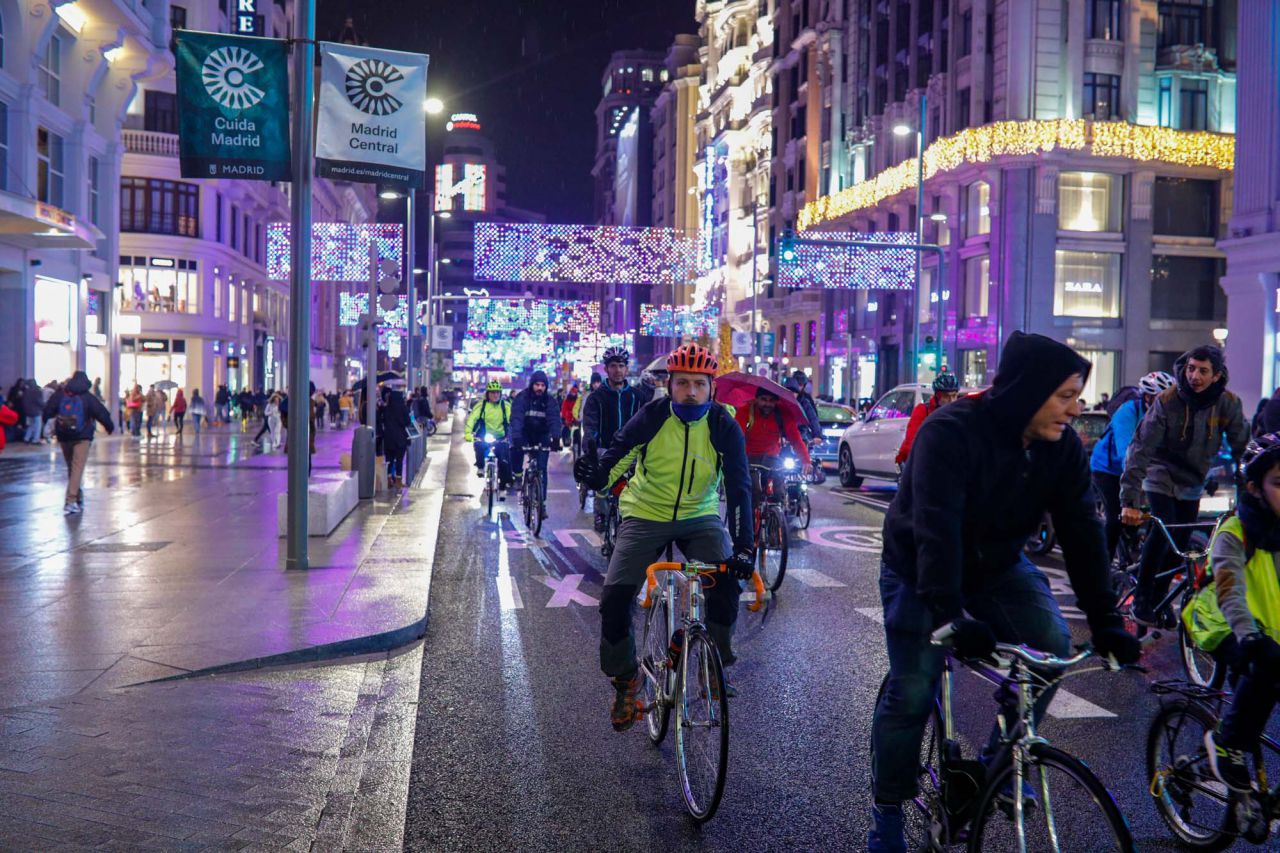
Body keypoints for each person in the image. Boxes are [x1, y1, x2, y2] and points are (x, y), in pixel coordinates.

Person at [867, 332, 1140, 852]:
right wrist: (949, 615)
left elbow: (1082, 531)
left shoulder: (1061, 451)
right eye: (1065, 396)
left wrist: (1106, 619)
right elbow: (935, 528)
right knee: (914, 687)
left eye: (1078, 395)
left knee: (1051, 649)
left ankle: (998, 766)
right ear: (1027, 392)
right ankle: (887, 808)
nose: (1075, 409)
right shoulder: (950, 431)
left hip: (999, 565)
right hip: (919, 566)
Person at [573, 343, 756, 732]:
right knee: (615, 598)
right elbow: (616, 458)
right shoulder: (652, 416)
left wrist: (744, 547)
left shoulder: (724, 425)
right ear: (669, 385)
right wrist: (594, 475)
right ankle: (626, 680)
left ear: (712, 388)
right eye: (683, 383)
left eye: (699, 384)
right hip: (646, 513)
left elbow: (740, 489)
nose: (691, 392)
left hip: (700, 515)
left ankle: (715, 665)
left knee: (726, 581)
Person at [1121, 345, 1250, 625]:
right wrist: (1129, 500)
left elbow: (1242, 448)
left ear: (1216, 375)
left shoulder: (1227, 403)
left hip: (1193, 479)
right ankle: (1142, 598)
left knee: (1181, 544)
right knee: (1163, 529)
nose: (1195, 376)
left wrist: (1249, 492)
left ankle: (1159, 596)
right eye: (1191, 368)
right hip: (1160, 472)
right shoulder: (1168, 400)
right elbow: (1141, 447)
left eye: (1203, 371)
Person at [1199, 434, 1280, 792]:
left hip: (1271, 631)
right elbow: (1230, 591)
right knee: (1265, 670)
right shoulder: (1236, 532)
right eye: (1279, 483)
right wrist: (1249, 636)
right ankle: (1225, 742)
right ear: (1255, 488)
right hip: (1225, 626)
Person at [1090, 371, 1176, 561]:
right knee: (1115, 519)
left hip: (1144, 470)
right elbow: (1126, 452)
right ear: (1147, 396)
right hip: (1108, 469)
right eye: (1160, 398)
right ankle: (1102, 569)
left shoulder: (1168, 415)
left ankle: (1138, 548)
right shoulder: (1127, 412)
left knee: (1160, 516)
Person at [581, 346, 653, 532]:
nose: (617, 370)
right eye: (613, 366)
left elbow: (648, 422)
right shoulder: (596, 398)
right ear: (606, 369)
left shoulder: (637, 397)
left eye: (621, 365)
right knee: (602, 486)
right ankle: (601, 514)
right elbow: (590, 425)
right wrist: (590, 445)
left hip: (632, 453)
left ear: (627, 368)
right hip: (606, 451)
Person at [43, 370, 114, 515]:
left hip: (64, 436)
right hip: (82, 436)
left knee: (72, 467)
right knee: (77, 468)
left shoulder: (61, 394)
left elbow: (48, 411)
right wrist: (109, 426)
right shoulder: (87, 397)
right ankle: (70, 501)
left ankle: (77, 497)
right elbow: (101, 413)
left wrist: (49, 422)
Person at [735, 386, 813, 506]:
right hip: (750, 458)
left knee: (779, 494)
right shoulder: (746, 411)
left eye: (772, 400)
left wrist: (806, 460)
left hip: (772, 458)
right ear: (756, 399)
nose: (768, 404)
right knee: (754, 491)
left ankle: (777, 519)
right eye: (764, 399)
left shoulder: (782, 413)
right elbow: (737, 437)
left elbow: (795, 439)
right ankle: (751, 521)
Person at [510, 370, 563, 510]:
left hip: (542, 436)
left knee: (541, 468)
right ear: (532, 385)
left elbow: (554, 419)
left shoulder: (550, 401)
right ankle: (517, 476)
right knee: (515, 452)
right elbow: (516, 418)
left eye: (542, 385)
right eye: (537, 385)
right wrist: (517, 438)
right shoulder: (522, 398)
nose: (540, 388)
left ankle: (541, 502)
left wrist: (556, 438)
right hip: (524, 434)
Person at [895, 371, 961, 466]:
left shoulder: (958, 413)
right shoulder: (923, 410)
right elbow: (912, 441)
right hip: (918, 459)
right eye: (946, 396)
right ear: (937, 396)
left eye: (954, 396)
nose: (951, 401)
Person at [464, 380, 514, 489]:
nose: (495, 395)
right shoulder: (481, 405)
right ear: (488, 394)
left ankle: (503, 486)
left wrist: (513, 436)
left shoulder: (505, 406)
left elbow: (513, 421)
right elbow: (472, 419)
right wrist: (468, 433)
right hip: (484, 435)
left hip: (501, 436)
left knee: (504, 460)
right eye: (492, 392)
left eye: (497, 392)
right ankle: (480, 466)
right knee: (478, 445)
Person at [383, 386, 411, 489]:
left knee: (389, 460)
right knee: (399, 460)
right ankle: (398, 482)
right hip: (400, 439)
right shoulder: (403, 408)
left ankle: (389, 479)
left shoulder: (386, 408)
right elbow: (408, 422)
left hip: (388, 438)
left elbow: (383, 421)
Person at [786, 370, 824, 443]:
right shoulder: (780, 400)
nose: (797, 388)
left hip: (801, 436)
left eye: (800, 385)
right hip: (784, 437)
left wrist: (817, 435)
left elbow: (813, 418)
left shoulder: (805, 401)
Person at [21, 379, 44, 444]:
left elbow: (23, 402)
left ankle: (26, 438)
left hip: (28, 411)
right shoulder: (37, 391)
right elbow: (39, 401)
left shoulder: (26, 391)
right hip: (36, 411)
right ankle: (35, 439)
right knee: (38, 426)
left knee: (30, 425)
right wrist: (43, 406)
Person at [560, 384, 580, 448]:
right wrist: (564, 418)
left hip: (576, 420)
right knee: (566, 430)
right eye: (572, 392)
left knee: (577, 434)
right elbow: (564, 409)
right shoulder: (567, 400)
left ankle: (576, 443)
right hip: (568, 420)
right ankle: (567, 441)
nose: (573, 393)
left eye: (574, 392)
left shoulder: (578, 400)